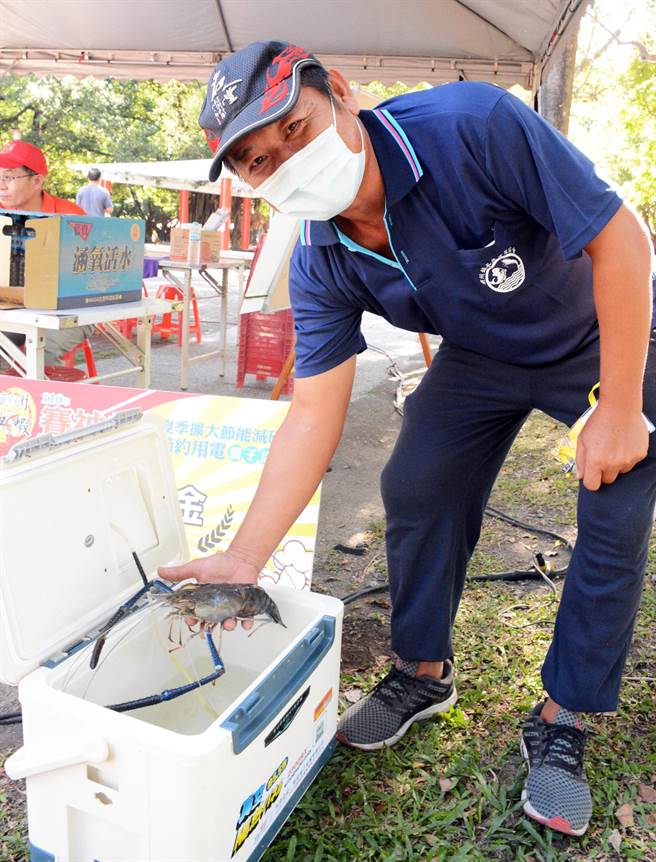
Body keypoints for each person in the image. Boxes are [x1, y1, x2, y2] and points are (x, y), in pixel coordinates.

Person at [159, 42, 655, 838]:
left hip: (603, 333)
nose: (284, 161)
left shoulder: (474, 125)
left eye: (294, 128)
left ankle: (565, 718)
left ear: (344, 95)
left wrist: (623, 406)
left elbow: (623, 239)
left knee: (615, 511)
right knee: (416, 483)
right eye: (256, 161)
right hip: (483, 356)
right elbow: (315, 414)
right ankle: (421, 671)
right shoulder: (320, 256)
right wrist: (245, 557)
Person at [0, 140, 92, 362]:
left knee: (39, 355)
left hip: (66, 313)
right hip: (9, 309)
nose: (1, 185)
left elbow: (87, 280)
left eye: (9, 177)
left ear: (37, 181)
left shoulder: (72, 218)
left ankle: (37, 396)